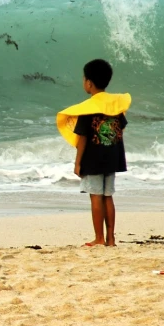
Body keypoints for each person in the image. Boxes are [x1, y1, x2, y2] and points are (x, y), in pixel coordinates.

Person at [56, 59, 131, 246]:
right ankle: (111, 239)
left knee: (95, 197)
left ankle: (99, 238)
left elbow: (82, 137)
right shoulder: (115, 105)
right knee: (108, 196)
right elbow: (120, 128)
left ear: (88, 82)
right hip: (112, 157)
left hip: (93, 159)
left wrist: (77, 163)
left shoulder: (87, 109)